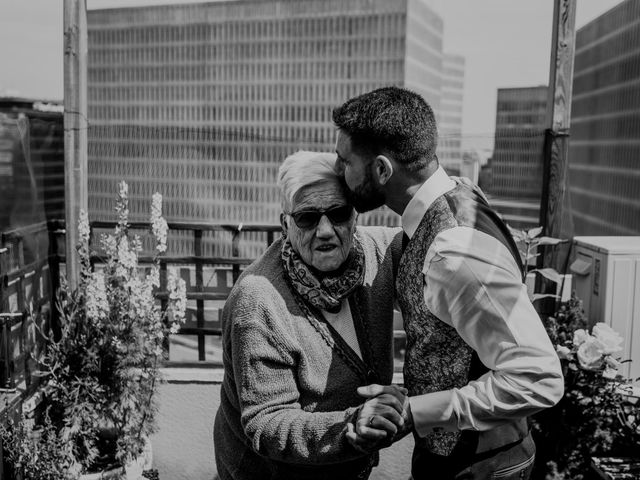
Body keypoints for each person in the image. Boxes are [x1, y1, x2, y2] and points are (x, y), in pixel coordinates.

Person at [333, 86, 564, 479]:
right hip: (453, 456)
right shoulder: (454, 194)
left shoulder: (453, 253)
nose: (340, 172)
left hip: (483, 466)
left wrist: (415, 412)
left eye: (345, 161)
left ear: (382, 170)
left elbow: (538, 377)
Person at [213, 150, 406, 480]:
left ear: (355, 215)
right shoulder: (258, 301)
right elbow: (267, 421)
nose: (327, 230)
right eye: (307, 218)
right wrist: (350, 427)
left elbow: (438, 240)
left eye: (339, 213)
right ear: (285, 224)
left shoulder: (381, 252)